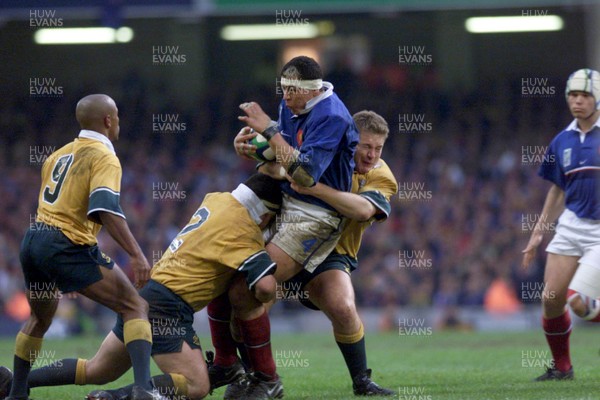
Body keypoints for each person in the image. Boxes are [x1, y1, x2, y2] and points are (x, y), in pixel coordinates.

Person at [0, 173, 283, 400]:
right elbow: (266, 289)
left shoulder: (218, 199)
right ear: (265, 217)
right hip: (168, 307)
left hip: (149, 295)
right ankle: (115, 397)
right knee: (197, 385)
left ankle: (15, 382)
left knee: (97, 368)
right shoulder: (245, 231)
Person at [218, 111, 397, 398]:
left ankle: (362, 382)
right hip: (286, 238)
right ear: (349, 140)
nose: (371, 155)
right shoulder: (320, 151)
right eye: (365, 146)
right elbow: (273, 157)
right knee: (248, 300)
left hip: (331, 254)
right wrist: (247, 148)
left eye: (378, 148)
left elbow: (363, 209)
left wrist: (315, 187)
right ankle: (251, 377)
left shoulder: (381, 175)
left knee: (343, 307)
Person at [208, 55, 357, 398]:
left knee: (248, 290)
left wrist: (270, 130)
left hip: (316, 214)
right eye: (283, 88)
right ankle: (236, 368)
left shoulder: (332, 116)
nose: (286, 96)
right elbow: (279, 156)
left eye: (292, 90)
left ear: (313, 90)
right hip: (284, 199)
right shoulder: (290, 105)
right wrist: (251, 148)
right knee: (226, 273)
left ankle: (264, 378)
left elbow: (305, 175)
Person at [3, 94, 159, 400]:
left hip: (33, 241)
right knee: (135, 306)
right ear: (108, 120)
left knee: (39, 319)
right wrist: (137, 255)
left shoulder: (57, 155)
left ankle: (16, 393)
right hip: (66, 244)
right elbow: (104, 209)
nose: (119, 122)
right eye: (117, 116)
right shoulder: (104, 155)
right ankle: (144, 390)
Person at [522, 68, 600, 381]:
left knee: (578, 301)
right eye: (573, 95)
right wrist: (539, 231)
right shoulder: (562, 140)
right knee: (551, 299)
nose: (577, 101)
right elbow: (557, 189)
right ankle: (562, 368)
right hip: (571, 226)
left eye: (584, 96)